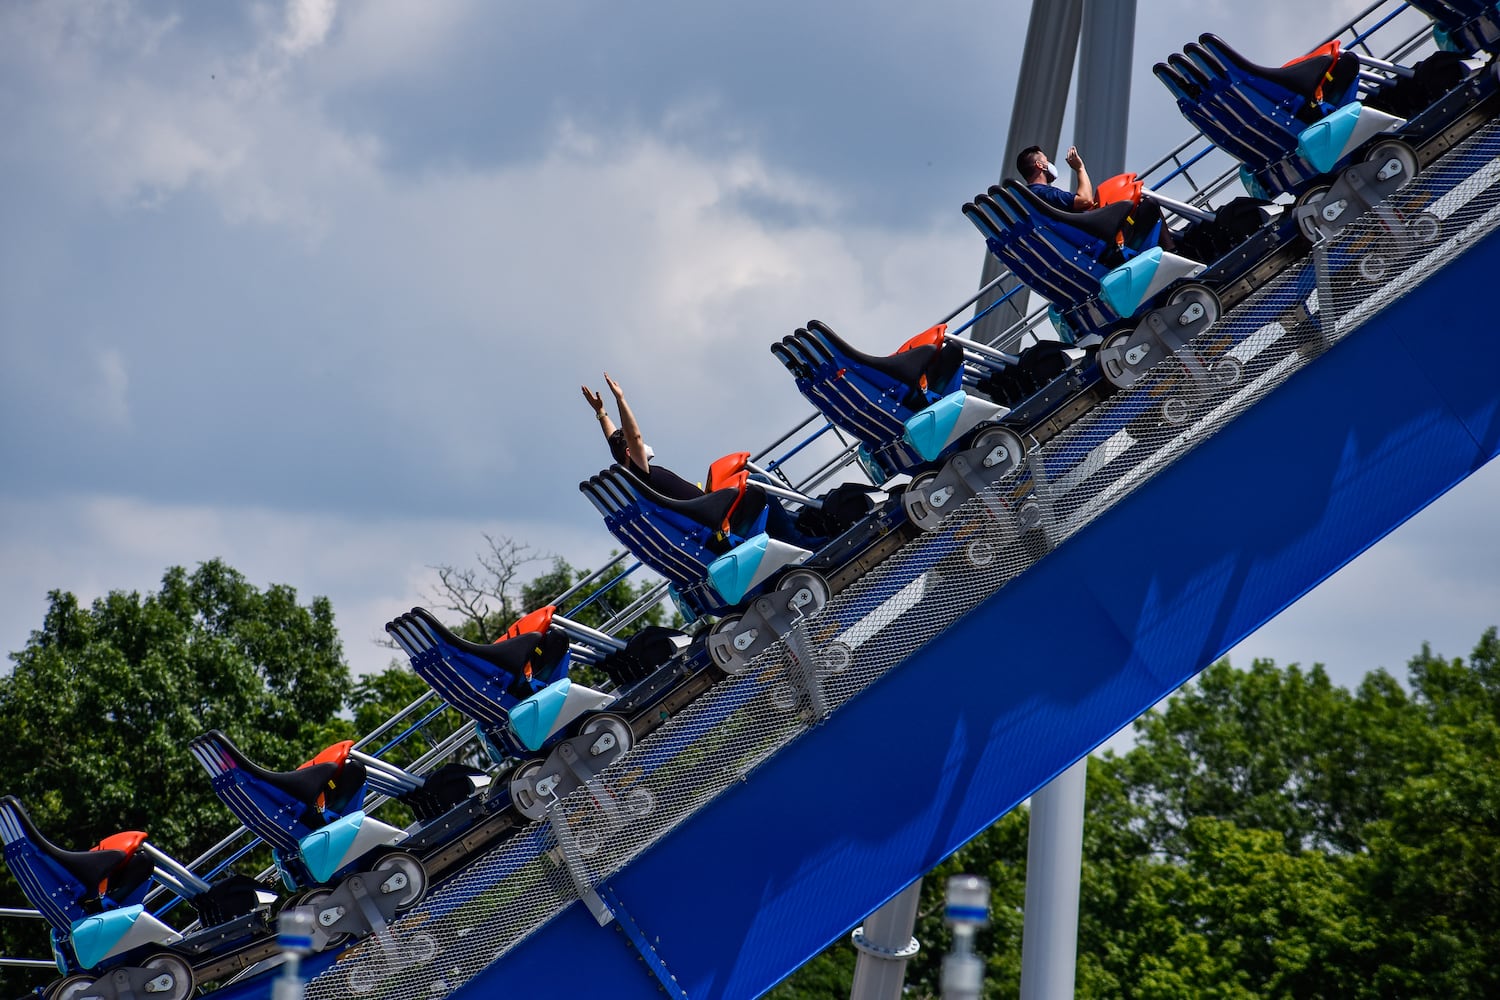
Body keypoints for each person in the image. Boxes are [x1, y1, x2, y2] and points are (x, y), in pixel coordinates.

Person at [582, 373, 702, 502]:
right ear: (629, 452)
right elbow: (634, 437)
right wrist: (620, 399)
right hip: (708, 508)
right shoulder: (639, 470)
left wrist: (600, 411)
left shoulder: (628, 474)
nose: (642, 445)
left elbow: (615, 441)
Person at [1016, 144, 1095, 212]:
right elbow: (1086, 200)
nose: (1049, 163)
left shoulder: (1023, 197)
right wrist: (1080, 168)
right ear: (1040, 165)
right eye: (1046, 160)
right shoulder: (1046, 193)